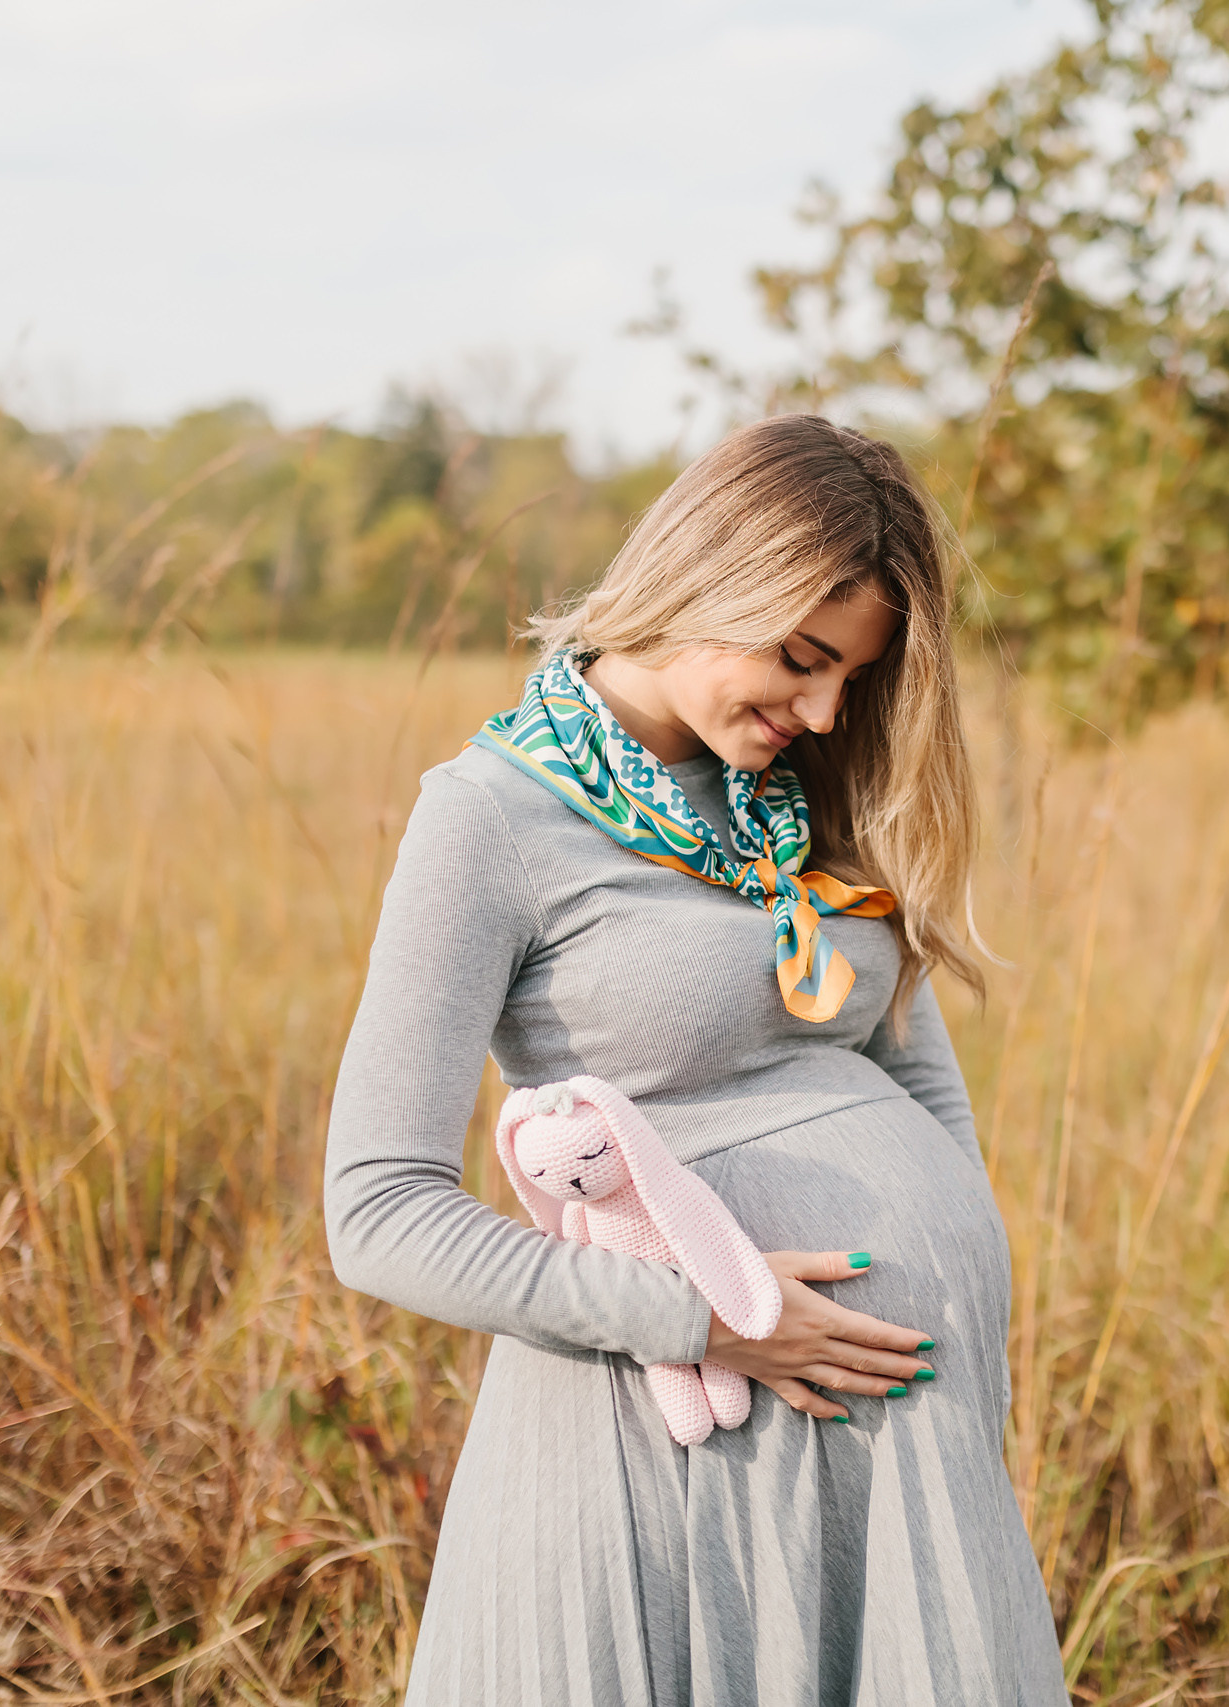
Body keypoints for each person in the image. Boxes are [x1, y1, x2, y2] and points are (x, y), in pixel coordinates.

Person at [323, 415, 1066, 1705]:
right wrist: (710, 1319)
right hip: (677, 1445)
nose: (825, 710)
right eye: (800, 659)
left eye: (853, 678)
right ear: (712, 576)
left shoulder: (795, 799)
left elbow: (911, 1070)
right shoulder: (492, 816)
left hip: (894, 1454)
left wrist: (971, 1301)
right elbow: (376, 1212)